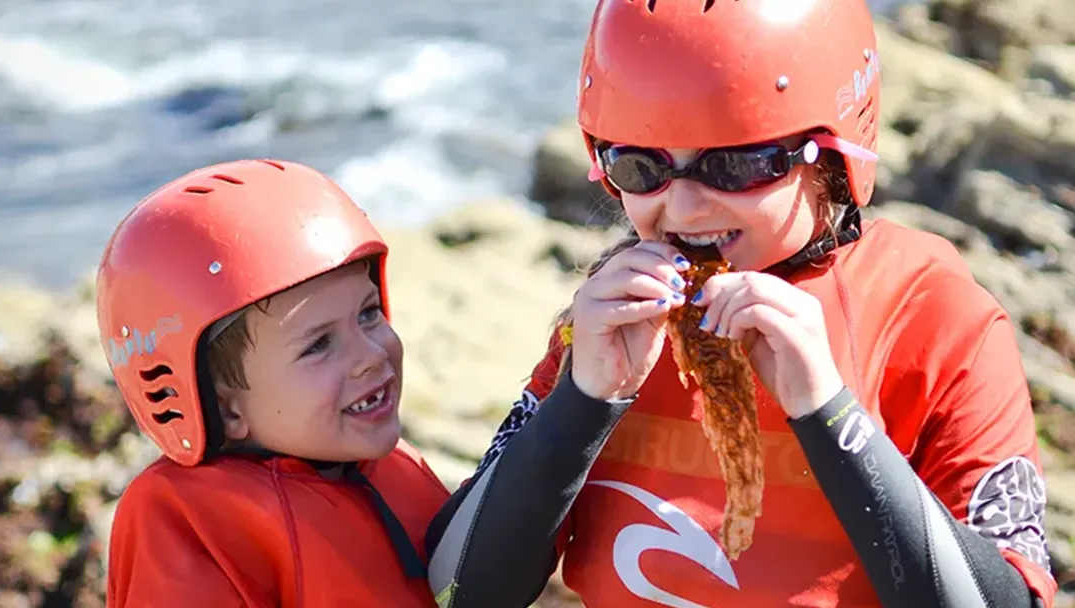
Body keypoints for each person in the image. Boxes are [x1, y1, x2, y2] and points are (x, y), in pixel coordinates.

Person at [424, 0, 1058, 606]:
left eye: (734, 165)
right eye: (640, 166)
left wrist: (828, 413)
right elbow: (459, 589)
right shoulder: (609, 323)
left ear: (831, 153)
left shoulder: (934, 314)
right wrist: (583, 401)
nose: (683, 207)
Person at [98, 159, 448, 607]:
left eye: (368, 313)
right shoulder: (188, 520)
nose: (372, 356)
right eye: (319, 344)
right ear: (225, 408)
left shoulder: (396, 466)